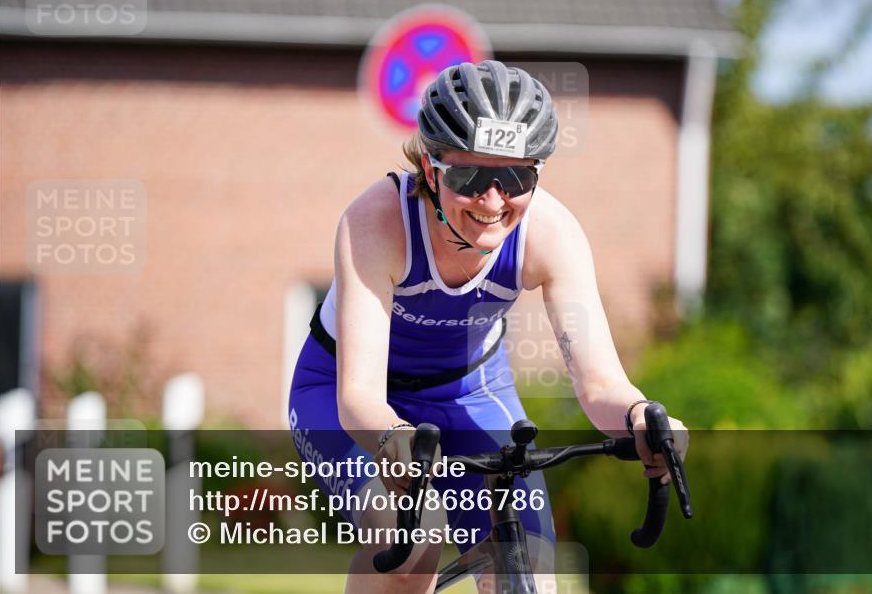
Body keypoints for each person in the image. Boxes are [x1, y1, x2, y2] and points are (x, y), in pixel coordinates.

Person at [289, 60, 688, 593]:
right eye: (470, 178)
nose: (494, 201)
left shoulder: (551, 234)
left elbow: (599, 384)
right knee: (414, 539)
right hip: (347, 394)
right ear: (431, 169)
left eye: (516, 178)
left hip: (471, 392)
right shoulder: (378, 221)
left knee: (530, 565)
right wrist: (392, 440)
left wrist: (641, 417)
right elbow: (359, 395)